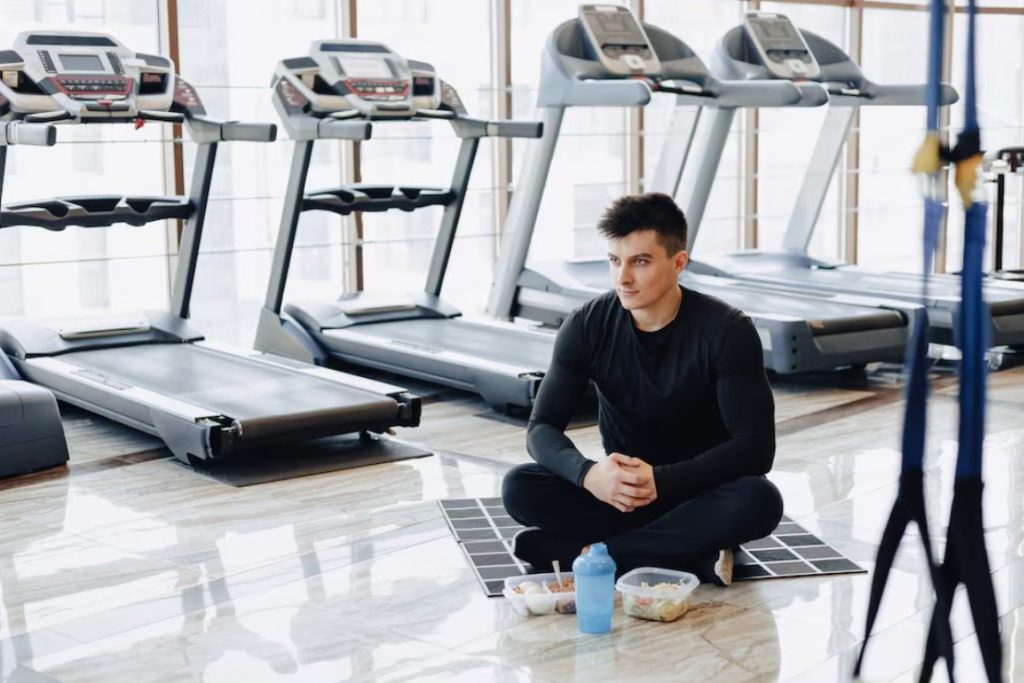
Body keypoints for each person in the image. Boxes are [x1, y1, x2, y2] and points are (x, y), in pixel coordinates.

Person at [501, 192, 783, 586]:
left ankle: (594, 555)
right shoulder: (586, 325)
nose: (623, 278)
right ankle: (691, 556)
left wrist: (662, 480)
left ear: (678, 262)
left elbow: (756, 447)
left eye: (640, 261)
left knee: (760, 500)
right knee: (520, 486)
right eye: (615, 261)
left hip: (698, 493)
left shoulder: (727, 330)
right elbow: (542, 427)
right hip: (620, 495)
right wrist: (589, 475)